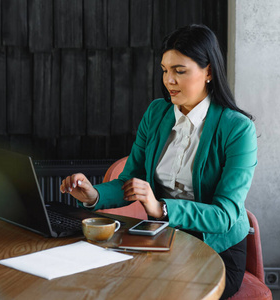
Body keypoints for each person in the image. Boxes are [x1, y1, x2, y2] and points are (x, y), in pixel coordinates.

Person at [60, 24, 257, 299]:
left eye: (180, 70)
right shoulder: (156, 113)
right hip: (164, 239)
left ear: (209, 71)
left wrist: (160, 207)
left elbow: (224, 215)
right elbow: (130, 181)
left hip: (217, 249)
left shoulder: (237, 129)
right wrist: (93, 194)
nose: (169, 80)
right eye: (165, 70)